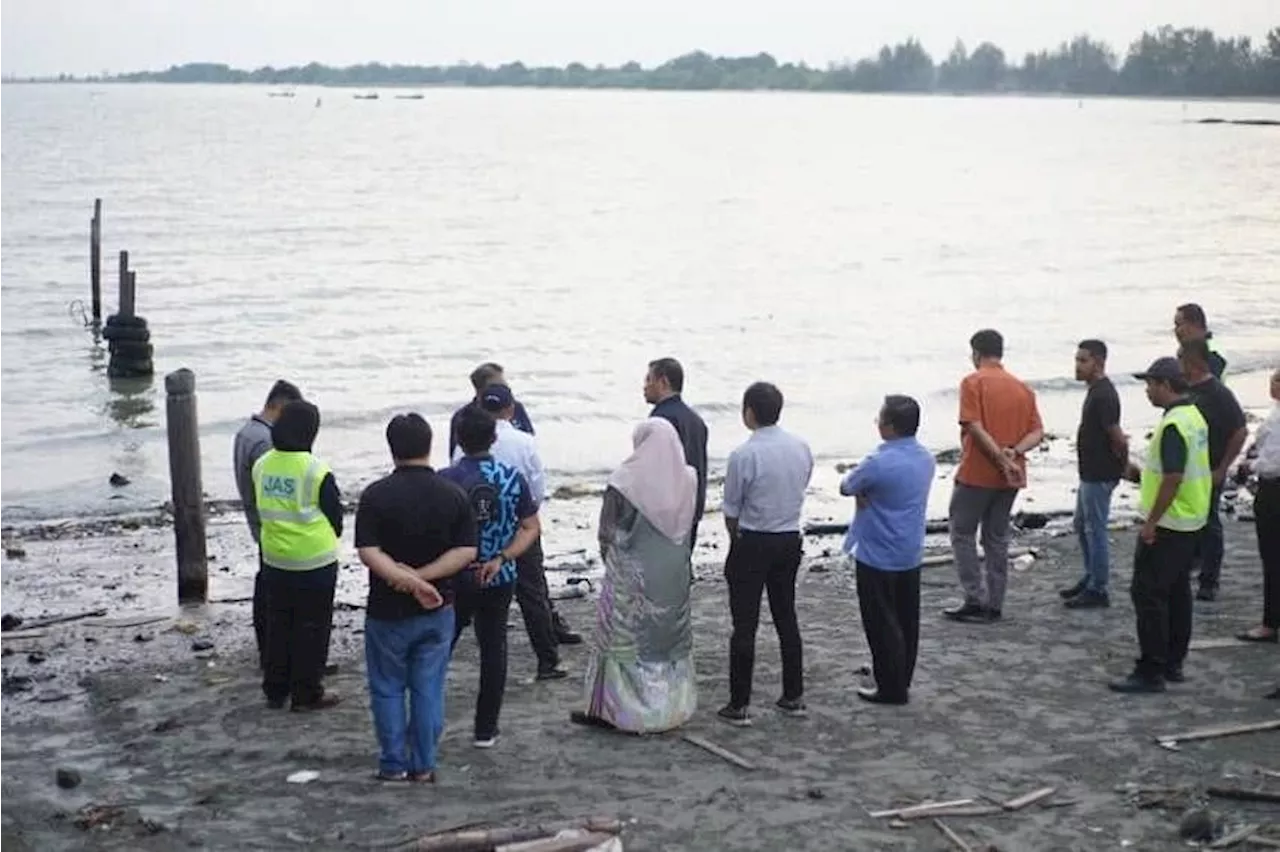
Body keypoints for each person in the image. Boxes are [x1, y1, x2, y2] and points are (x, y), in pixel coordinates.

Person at [356, 414, 478, 782]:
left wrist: (406, 579)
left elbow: (368, 551)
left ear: (392, 448)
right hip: (439, 608)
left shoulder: (376, 495)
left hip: (387, 610)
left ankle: (393, 764)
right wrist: (425, 580)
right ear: (429, 444)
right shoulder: (453, 493)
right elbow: (466, 551)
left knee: (388, 687)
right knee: (428, 687)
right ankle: (423, 764)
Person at [572, 418, 698, 733]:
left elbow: (607, 533)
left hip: (632, 576)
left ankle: (621, 712)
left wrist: (611, 561)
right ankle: (670, 709)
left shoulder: (624, 482)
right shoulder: (688, 480)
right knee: (667, 639)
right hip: (673, 574)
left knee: (621, 641)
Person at [440, 405, 541, 748]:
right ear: (494, 438)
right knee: (493, 649)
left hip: (454, 576)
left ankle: (428, 719)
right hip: (498, 574)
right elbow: (530, 527)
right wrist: (503, 556)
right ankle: (486, 729)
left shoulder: (445, 479)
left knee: (440, 648)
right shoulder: (512, 478)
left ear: (458, 439)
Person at [461, 383, 577, 677]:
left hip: (478, 526)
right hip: (519, 521)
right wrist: (526, 510)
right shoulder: (524, 441)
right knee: (532, 592)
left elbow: (457, 489)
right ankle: (547, 661)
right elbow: (537, 486)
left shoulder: (468, 441)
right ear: (511, 409)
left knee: (469, 591)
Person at [1110, 358, 1211, 694]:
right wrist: (1140, 477)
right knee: (1177, 591)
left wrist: (1151, 521)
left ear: (1167, 385)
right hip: (1192, 517)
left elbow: (1173, 476)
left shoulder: (1173, 425)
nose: (1147, 390)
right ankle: (1173, 661)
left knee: (1148, 593)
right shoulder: (1194, 416)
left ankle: (1151, 668)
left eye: (1151, 384)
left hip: (1170, 521)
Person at [718, 382, 813, 727]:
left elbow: (731, 508)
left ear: (750, 412)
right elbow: (802, 484)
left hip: (754, 538)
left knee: (744, 624)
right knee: (786, 616)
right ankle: (793, 694)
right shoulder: (800, 447)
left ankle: (739, 703)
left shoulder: (744, 454)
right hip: (788, 536)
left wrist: (735, 538)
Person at [839, 395, 935, 706]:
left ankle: (890, 687)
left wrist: (863, 493)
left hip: (878, 550)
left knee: (881, 622)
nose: (878, 424)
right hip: (909, 547)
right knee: (907, 618)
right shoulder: (925, 458)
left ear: (890, 427)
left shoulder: (879, 461)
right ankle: (900, 677)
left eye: (881, 419)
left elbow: (847, 485)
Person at [944, 330, 1044, 624]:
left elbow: (973, 425)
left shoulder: (973, 382)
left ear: (976, 353)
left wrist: (1000, 457)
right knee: (996, 537)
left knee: (962, 532)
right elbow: (1037, 431)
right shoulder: (1022, 388)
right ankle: (995, 601)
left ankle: (974, 597)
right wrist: (1014, 451)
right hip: (1010, 476)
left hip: (977, 471)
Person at [252, 400, 343, 711]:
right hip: (314, 560)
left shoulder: (262, 464)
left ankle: (275, 688)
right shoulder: (315, 469)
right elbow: (335, 516)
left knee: (279, 623)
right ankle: (306, 692)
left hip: (275, 557)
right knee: (313, 628)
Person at [232, 379, 303, 670]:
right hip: (272, 526)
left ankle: (270, 651)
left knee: (266, 585)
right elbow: (276, 488)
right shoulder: (265, 441)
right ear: (279, 406)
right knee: (276, 593)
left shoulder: (246, 432)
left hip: (259, 520)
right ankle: (276, 654)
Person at [1179, 339, 1248, 601]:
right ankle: (1187, 570)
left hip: (1209, 470)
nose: (1178, 365)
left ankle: (1210, 580)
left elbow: (1240, 430)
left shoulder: (1217, 393)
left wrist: (1222, 467)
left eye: (1181, 360)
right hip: (1186, 470)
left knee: (1208, 523)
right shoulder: (1185, 390)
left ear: (1193, 362)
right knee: (1188, 523)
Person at [1061, 340, 1128, 609]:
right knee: (1081, 524)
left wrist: (1121, 466)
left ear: (1098, 362)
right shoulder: (1096, 391)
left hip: (1099, 473)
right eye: (1077, 360)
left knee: (1095, 528)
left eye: (1083, 361)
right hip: (1090, 471)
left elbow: (1118, 437)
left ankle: (1098, 588)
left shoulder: (1104, 395)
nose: (1077, 366)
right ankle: (1091, 576)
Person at [1236, 368, 1280, 652]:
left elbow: (1273, 462)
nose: (1272, 384)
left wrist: (1249, 466)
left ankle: (1270, 622)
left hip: (1274, 490)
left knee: (1273, 558)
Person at [644, 357, 709, 548]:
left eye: (649, 380)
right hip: (692, 508)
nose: (644, 386)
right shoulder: (696, 421)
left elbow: (652, 471)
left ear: (663, 382)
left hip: (666, 514)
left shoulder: (660, 420)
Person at [447, 362, 535, 460]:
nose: (504, 386)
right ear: (480, 389)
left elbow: (530, 442)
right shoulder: (463, 416)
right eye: (498, 385)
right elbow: (455, 456)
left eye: (504, 384)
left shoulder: (516, 408)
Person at [1173, 303, 1227, 379]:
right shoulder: (1185, 352)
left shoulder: (1213, 353)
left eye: (1178, 325)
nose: (1176, 330)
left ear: (1195, 325)